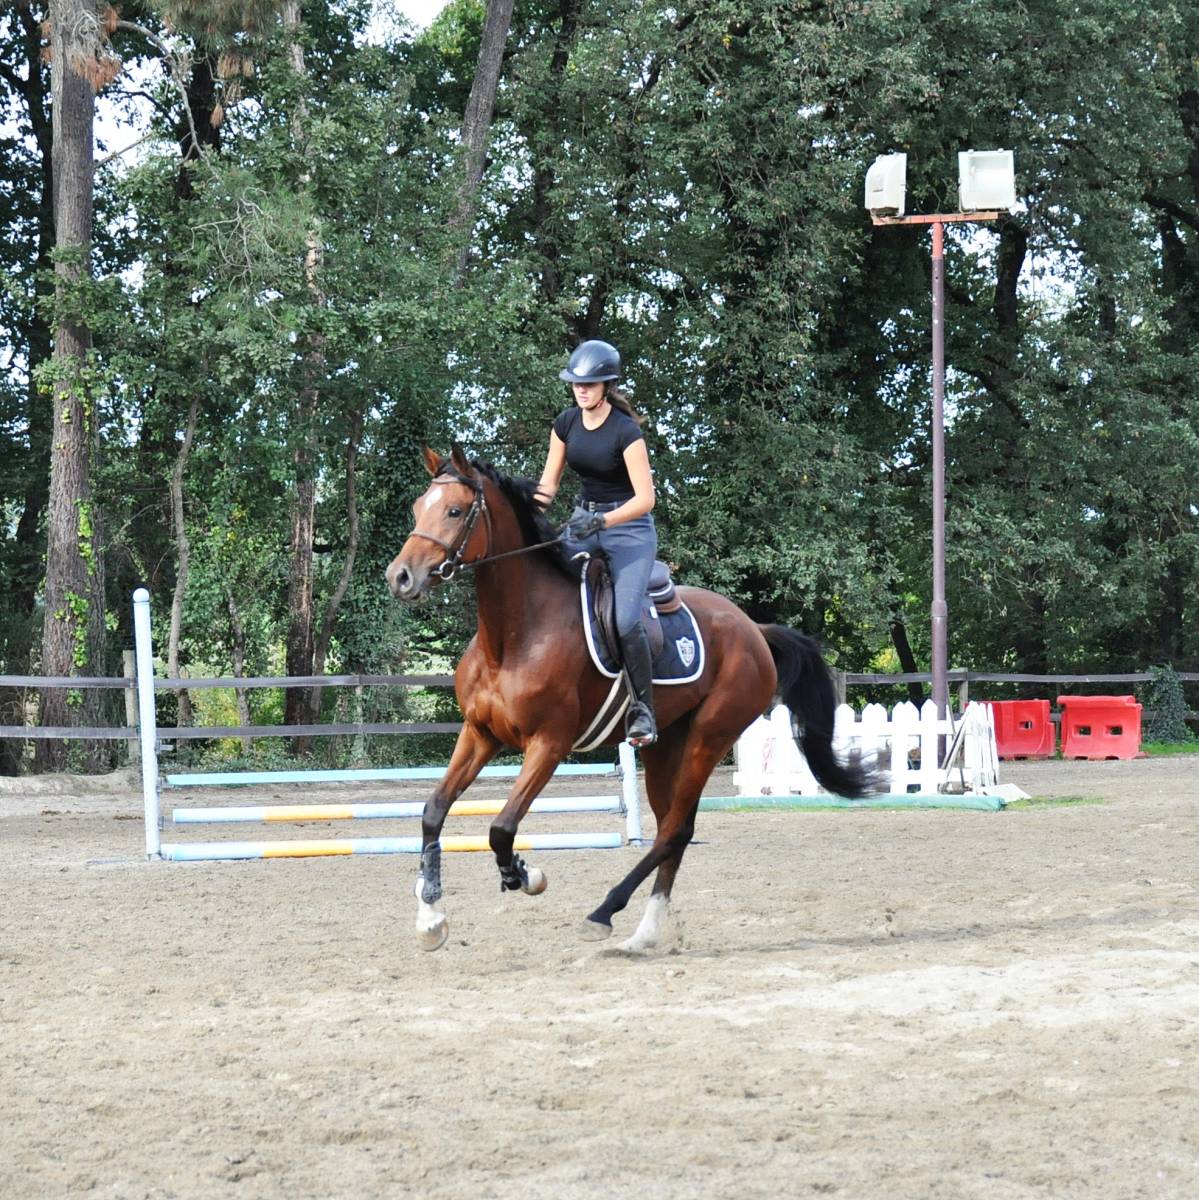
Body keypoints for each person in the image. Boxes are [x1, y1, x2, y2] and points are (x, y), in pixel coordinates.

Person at [537, 339, 658, 747]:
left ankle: (643, 709)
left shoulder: (626, 432)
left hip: (629, 530)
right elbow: (548, 487)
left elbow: (646, 498)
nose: (581, 390)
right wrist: (523, 515)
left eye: (590, 384)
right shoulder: (565, 423)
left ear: (607, 385)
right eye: (575, 384)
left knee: (624, 620)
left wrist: (603, 519)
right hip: (583, 523)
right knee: (550, 597)